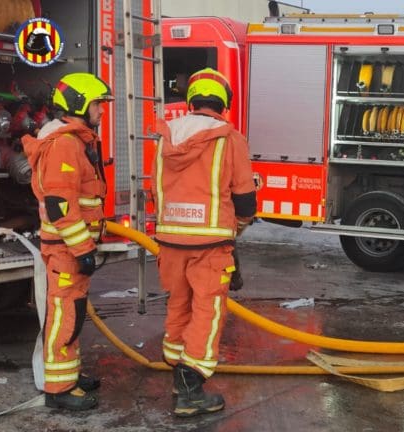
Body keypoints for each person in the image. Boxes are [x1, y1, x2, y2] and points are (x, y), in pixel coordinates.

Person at [151, 67, 256, 417]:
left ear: (192, 99)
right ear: (223, 102)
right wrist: (235, 227)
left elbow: (156, 189)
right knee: (208, 311)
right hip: (210, 245)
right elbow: (244, 199)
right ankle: (190, 386)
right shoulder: (230, 137)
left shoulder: (168, 135)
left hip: (170, 242)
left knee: (179, 304)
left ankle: (177, 369)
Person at [22, 72, 114, 410]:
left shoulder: (75, 141)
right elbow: (60, 205)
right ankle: (58, 391)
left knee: (71, 314)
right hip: (66, 250)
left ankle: (68, 375)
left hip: (70, 249)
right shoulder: (64, 143)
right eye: (97, 105)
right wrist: (83, 248)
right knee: (65, 316)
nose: (101, 112)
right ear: (78, 105)